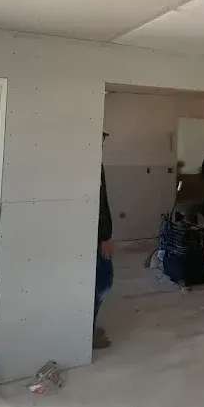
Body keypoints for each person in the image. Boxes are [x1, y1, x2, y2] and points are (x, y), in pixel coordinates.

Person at [94, 135, 114, 349]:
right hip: (96, 236)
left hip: (96, 234)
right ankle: (87, 331)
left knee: (101, 281)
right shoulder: (91, 166)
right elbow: (99, 206)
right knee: (103, 282)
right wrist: (105, 237)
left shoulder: (96, 164)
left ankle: (88, 327)